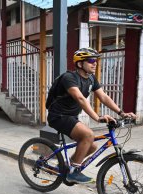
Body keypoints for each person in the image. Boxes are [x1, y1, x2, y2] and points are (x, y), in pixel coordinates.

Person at [47, 47, 136, 184]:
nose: (95, 63)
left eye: (96, 60)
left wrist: (121, 113)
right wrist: (97, 117)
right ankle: (73, 172)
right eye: (91, 60)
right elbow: (80, 98)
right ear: (80, 64)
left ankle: (64, 166)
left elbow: (104, 97)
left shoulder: (91, 79)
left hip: (71, 117)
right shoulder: (69, 77)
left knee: (92, 145)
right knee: (88, 135)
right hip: (58, 116)